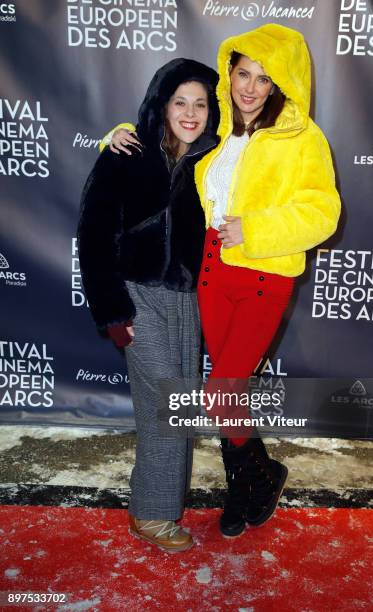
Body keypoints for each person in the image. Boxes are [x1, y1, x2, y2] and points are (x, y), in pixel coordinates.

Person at [104, 24, 341, 538]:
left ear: (281, 84)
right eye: (242, 74)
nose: (250, 87)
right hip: (211, 275)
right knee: (220, 394)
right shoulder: (216, 130)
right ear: (229, 75)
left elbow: (323, 213)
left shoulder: (304, 138)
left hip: (264, 273)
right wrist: (119, 134)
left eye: (264, 77)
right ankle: (256, 476)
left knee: (221, 389)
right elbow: (170, 136)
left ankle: (253, 480)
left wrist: (254, 228)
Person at [78, 58, 219, 552]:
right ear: (161, 105)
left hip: (188, 302)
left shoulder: (212, 161)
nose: (190, 112)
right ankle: (150, 516)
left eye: (200, 104)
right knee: (164, 406)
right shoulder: (126, 152)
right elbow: (93, 235)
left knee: (177, 410)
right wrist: (113, 313)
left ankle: (161, 502)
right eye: (180, 101)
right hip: (137, 296)